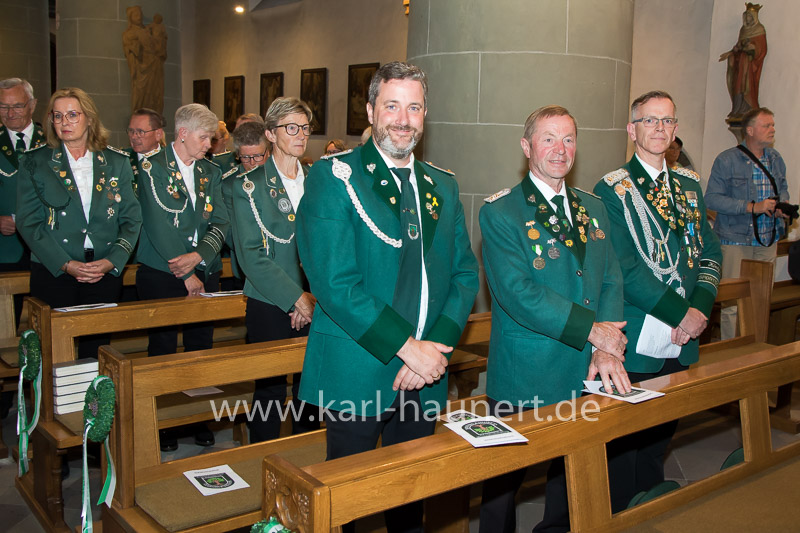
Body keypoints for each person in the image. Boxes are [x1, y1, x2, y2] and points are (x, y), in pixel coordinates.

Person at [296, 61, 479, 533]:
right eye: (392, 106)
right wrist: (407, 347)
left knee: (411, 496)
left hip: (426, 370)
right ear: (371, 110)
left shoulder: (442, 184)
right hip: (359, 365)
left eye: (414, 107)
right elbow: (334, 283)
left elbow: (464, 273)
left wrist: (434, 349)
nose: (403, 119)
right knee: (349, 501)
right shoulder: (335, 177)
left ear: (425, 114)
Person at [478, 105, 629, 533]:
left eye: (568, 139)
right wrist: (593, 331)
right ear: (527, 147)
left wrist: (606, 348)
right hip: (527, 370)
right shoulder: (502, 212)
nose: (560, 149)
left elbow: (610, 277)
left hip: (585, 368)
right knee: (502, 484)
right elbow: (518, 294)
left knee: (571, 479)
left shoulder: (593, 207)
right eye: (548, 139)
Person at [593, 90, 722, 512]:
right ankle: (618, 515)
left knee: (659, 436)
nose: (659, 128)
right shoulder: (612, 189)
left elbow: (709, 251)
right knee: (623, 443)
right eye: (649, 120)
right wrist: (680, 313)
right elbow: (625, 268)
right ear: (632, 130)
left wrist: (699, 309)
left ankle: (652, 511)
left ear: (675, 129)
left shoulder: (689, 184)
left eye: (667, 121)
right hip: (638, 333)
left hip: (684, 333)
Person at [15, 87, 142, 359]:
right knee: (53, 353)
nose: (65, 122)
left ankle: (94, 390)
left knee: (96, 351)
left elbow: (132, 219)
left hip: (102, 270)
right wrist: (65, 264)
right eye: (58, 116)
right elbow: (29, 222)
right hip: (54, 270)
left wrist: (113, 260)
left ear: (89, 118)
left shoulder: (116, 161)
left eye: (73, 115)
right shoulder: (35, 162)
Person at [135, 103, 230, 450]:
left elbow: (221, 220)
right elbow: (158, 225)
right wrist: (187, 271)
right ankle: (163, 423)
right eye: (204, 138)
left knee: (200, 345)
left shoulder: (210, 171)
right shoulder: (151, 168)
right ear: (183, 133)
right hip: (163, 272)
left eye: (212, 138)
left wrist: (200, 257)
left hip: (205, 268)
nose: (209, 144)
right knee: (163, 347)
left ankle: (196, 418)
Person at [224, 99, 318, 442]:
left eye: (305, 127)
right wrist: (296, 299)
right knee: (270, 391)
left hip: (317, 299)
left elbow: (332, 246)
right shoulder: (247, 186)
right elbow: (250, 256)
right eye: (291, 127)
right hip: (269, 299)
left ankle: (307, 458)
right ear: (271, 134)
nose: (301, 134)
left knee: (311, 389)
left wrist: (312, 298)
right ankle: (260, 457)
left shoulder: (319, 180)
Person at [705, 107, 788, 340]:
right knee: (733, 301)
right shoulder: (727, 160)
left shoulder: (775, 159)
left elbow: (782, 189)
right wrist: (752, 207)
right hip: (735, 239)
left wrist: (781, 206)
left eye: (772, 125)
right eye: (766, 125)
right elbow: (711, 199)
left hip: (767, 238)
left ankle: (757, 347)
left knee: (761, 299)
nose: (772, 130)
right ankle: (732, 351)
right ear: (750, 130)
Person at [0, 78, 46, 274]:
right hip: (5, 251)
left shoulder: (53, 143)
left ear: (32, 105)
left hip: (48, 250)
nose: (10, 113)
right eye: (3, 107)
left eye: (18, 106)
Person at [719, 3, 767, 119]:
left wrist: (753, 48)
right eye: (746, 16)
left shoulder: (759, 29)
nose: (748, 19)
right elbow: (739, 46)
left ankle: (749, 107)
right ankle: (737, 107)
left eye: (750, 16)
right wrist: (731, 52)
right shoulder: (743, 30)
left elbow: (762, 49)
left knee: (744, 61)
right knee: (734, 62)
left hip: (749, 68)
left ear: (754, 17)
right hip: (740, 66)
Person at [126, 107, 166, 194]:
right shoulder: (123, 160)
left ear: (158, 134)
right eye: (131, 131)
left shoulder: (170, 160)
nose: (133, 137)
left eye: (140, 132)